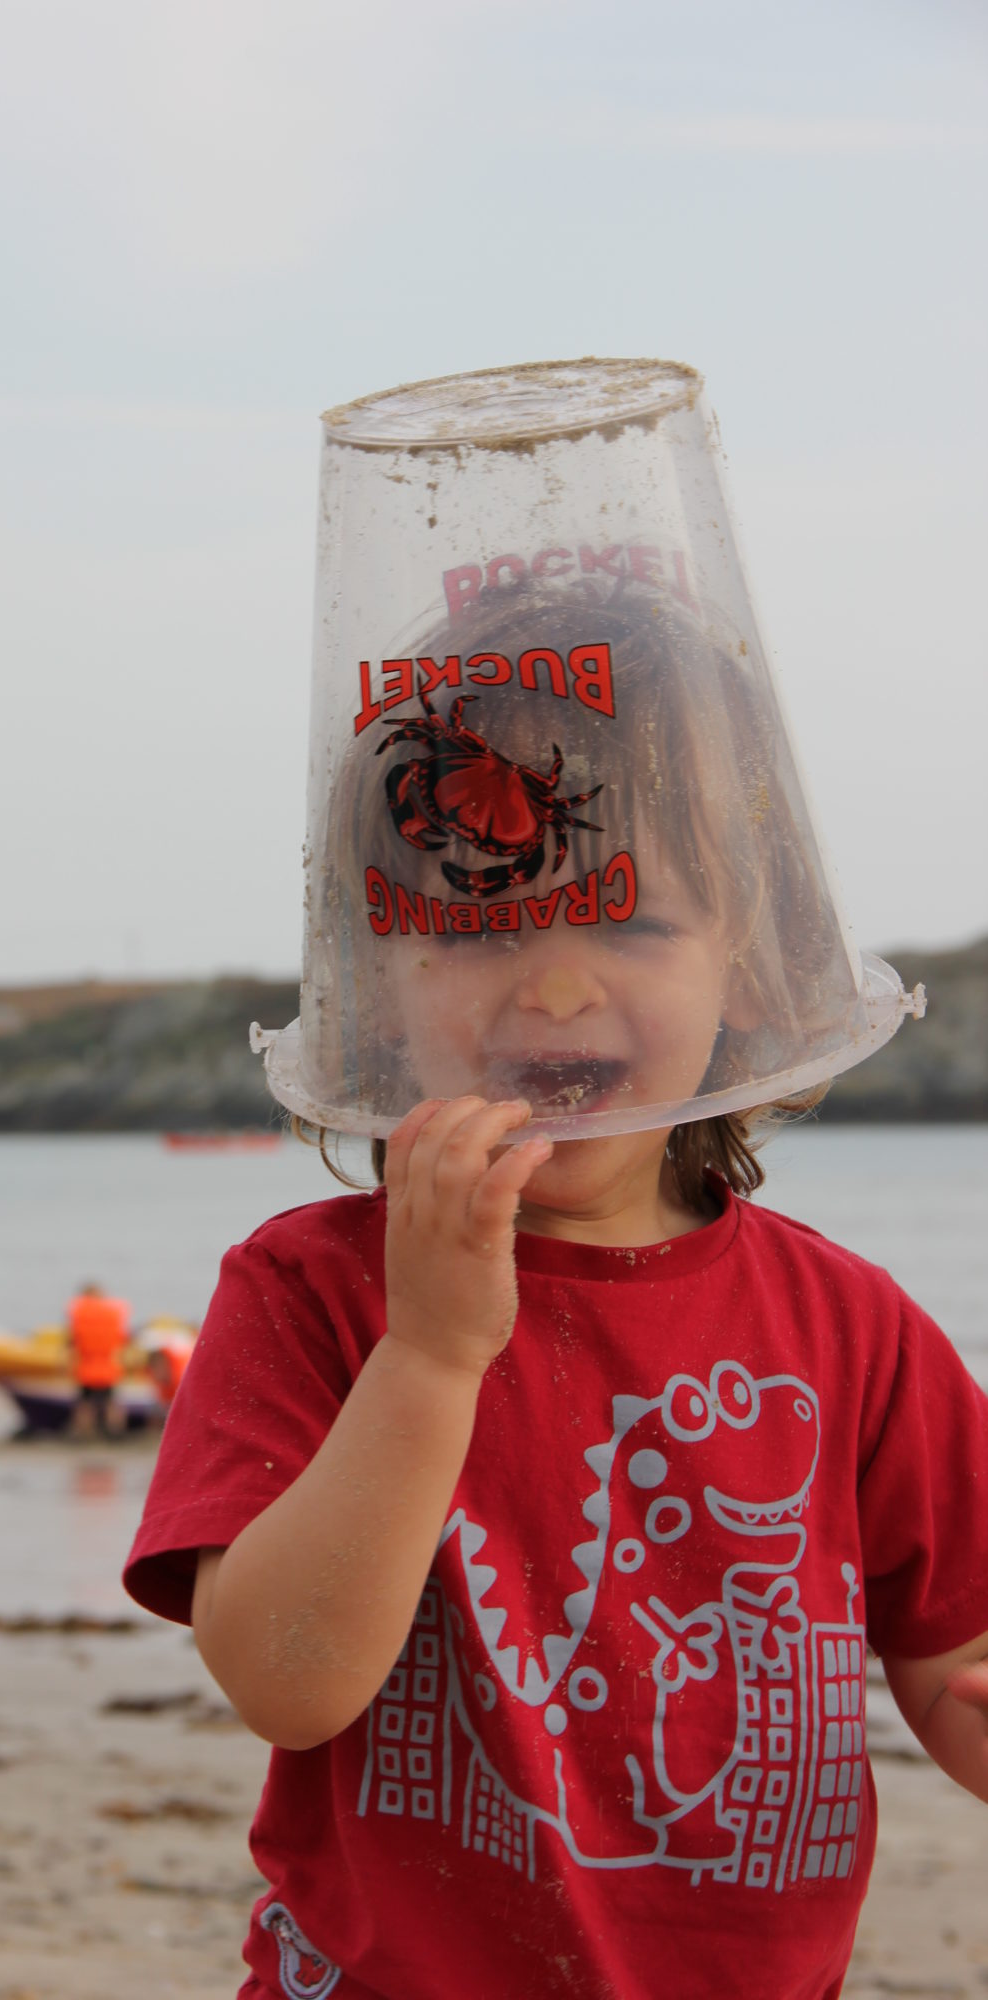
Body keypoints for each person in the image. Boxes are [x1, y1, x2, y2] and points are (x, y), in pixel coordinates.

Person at [123, 578, 988, 1998]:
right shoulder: (309, 1294)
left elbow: (955, 1650)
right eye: (474, 923)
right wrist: (431, 1357)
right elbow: (284, 1680)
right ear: (373, 973)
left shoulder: (851, 1330)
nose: (557, 988)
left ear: (751, 960)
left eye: (631, 921)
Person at [65, 1281, 130, 1440]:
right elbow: (122, 1340)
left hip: (87, 1367)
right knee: (110, 1402)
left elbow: (72, 1341)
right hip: (107, 1367)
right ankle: (116, 1434)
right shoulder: (111, 1314)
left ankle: (83, 1434)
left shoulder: (80, 1314)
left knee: (85, 1404)